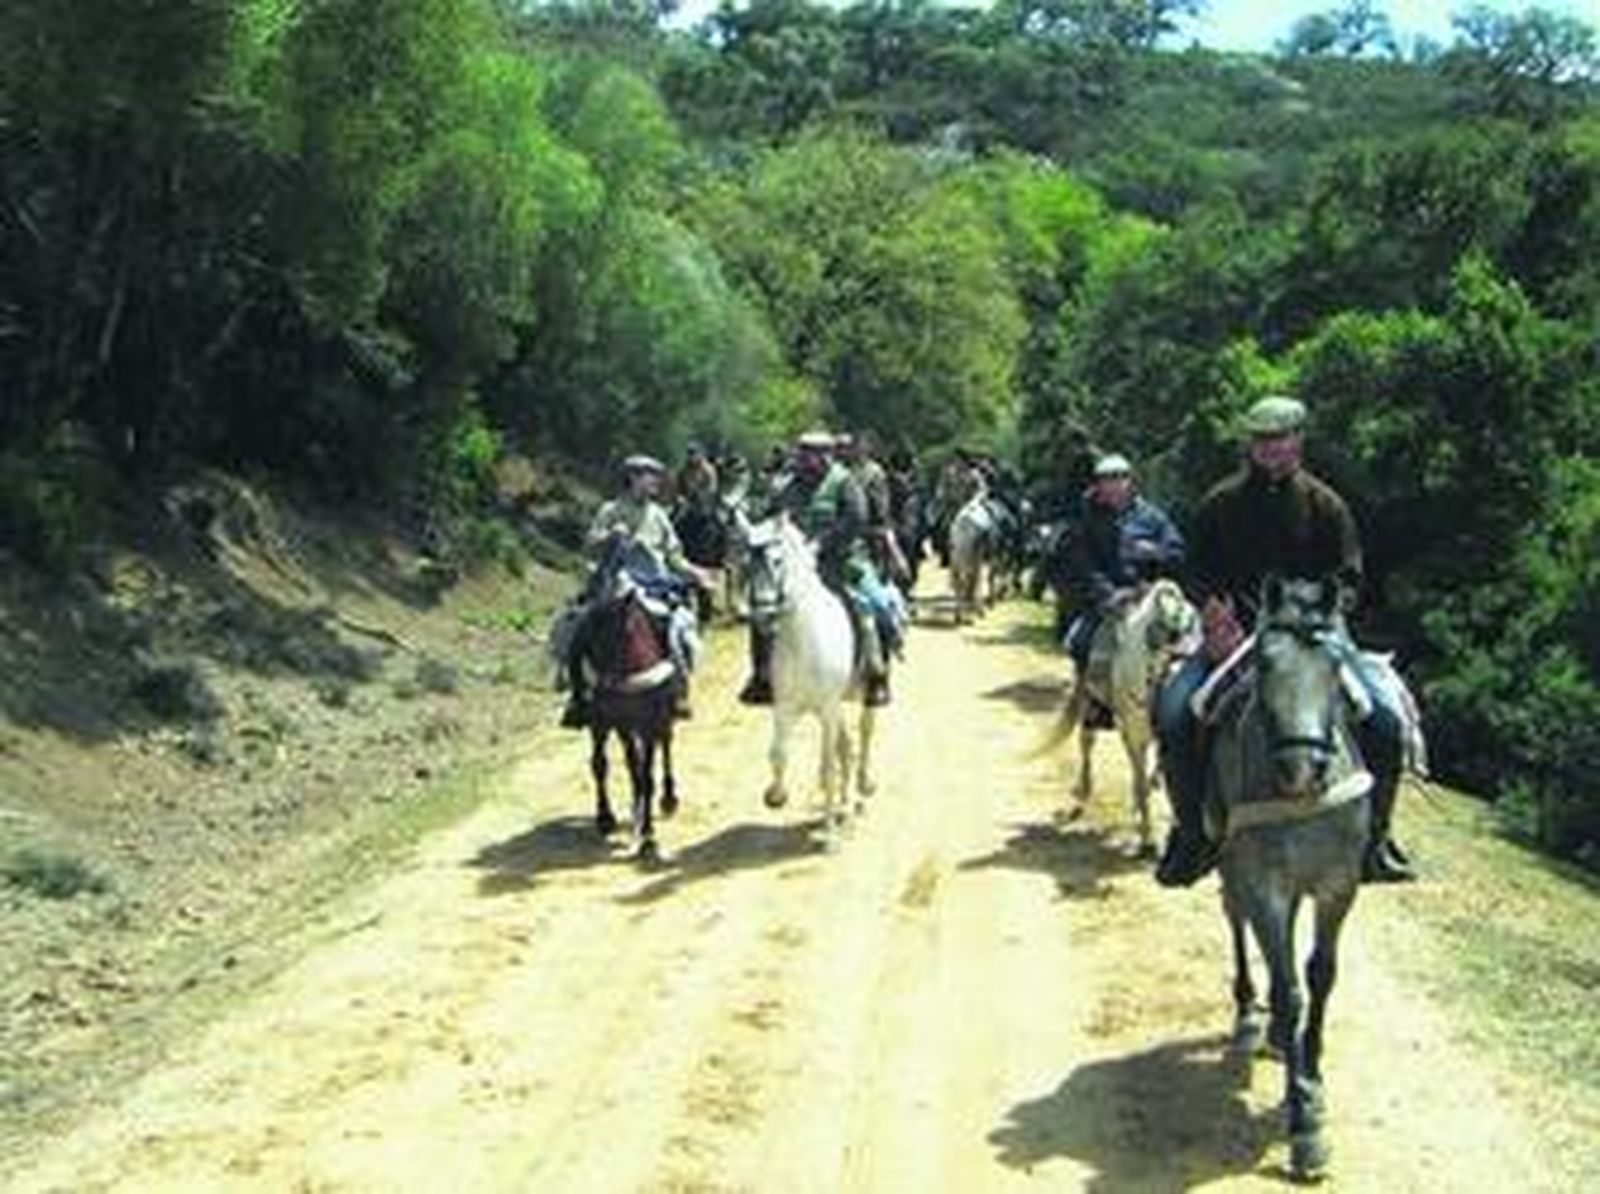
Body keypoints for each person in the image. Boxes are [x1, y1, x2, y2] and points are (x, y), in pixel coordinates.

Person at [1152, 396, 1416, 887]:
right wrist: (1210, 607)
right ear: (1249, 445)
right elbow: (1193, 566)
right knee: (1173, 714)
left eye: (1279, 439)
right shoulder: (1220, 503)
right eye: (1260, 440)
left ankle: (1374, 841)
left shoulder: (1327, 505)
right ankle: (1192, 835)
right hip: (1238, 634)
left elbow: (1351, 574)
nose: (1270, 449)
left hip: (1313, 637)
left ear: (1298, 440)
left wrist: (1327, 609)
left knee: (1382, 720)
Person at [739, 431, 895, 707]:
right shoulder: (785, 486)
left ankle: (876, 674)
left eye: (818, 453)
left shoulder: (845, 483)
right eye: (805, 453)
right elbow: (770, 518)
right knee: (762, 610)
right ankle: (762, 675)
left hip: (841, 563)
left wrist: (822, 545)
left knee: (877, 607)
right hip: (792, 566)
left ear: (830, 455)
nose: (811, 460)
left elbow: (856, 519)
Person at [560, 455, 708, 728]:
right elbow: (589, 546)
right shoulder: (610, 510)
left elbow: (674, 556)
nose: (655, 481)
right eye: (648, 475)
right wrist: (609, 536)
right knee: (575, 626)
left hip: (655, 586)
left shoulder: (659, 514)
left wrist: (695, 572)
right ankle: (577, 695)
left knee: (679, 629)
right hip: (614, 585)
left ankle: (678, 691)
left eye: (656, 475)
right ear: (632, 478)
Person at [1063, 454, 1186, 725]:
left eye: (1120, 478)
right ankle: (1094, 702)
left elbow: (1177, 551)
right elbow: (1083, 565)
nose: (1114, 486)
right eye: (1107, 480)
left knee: (1184, 635)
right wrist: (1108, 594)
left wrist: (1154, 552)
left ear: (1131, 482)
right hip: (1109, 601)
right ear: (1098, 485)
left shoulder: (1153, 517)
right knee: (1079, 641)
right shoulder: (1086, 522)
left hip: (1150, 595)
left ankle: (1172, 700)